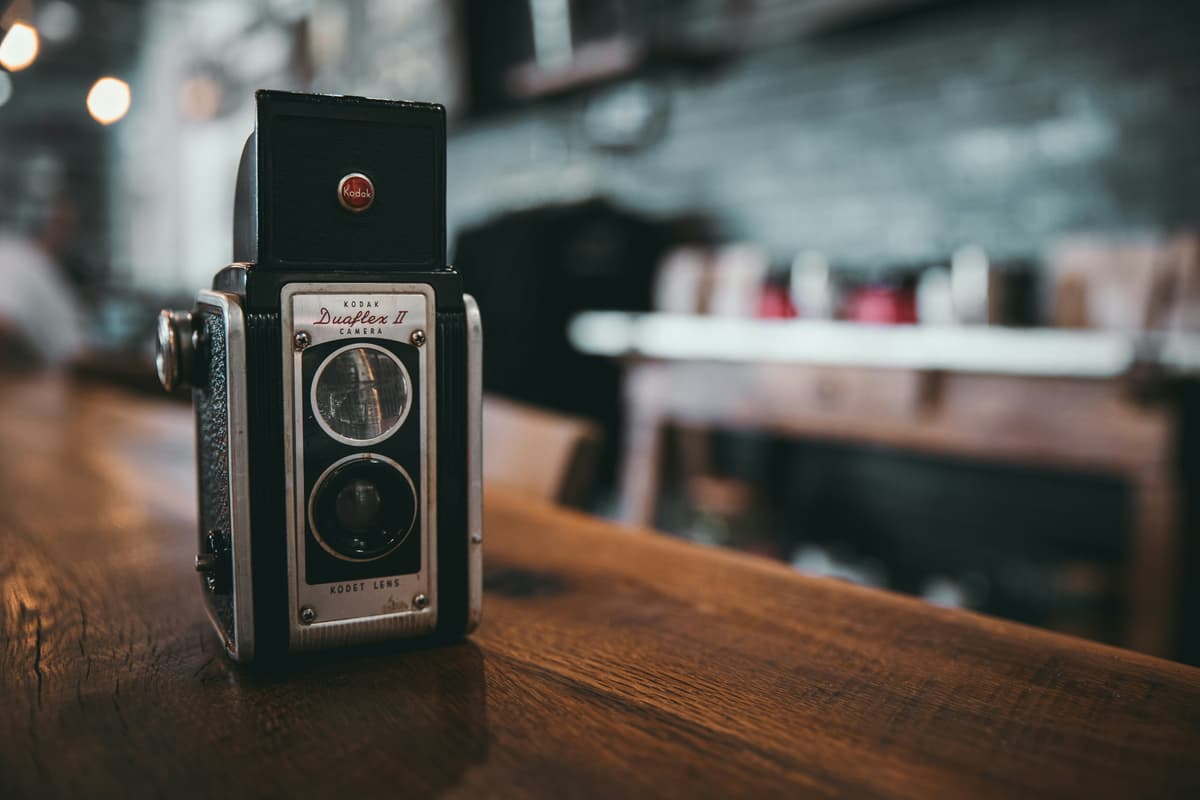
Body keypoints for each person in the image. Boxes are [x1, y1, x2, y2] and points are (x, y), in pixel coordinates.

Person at [0, 155, 85, 369]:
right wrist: (26, 373)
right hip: (42, 391)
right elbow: (5, 323)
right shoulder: (18, 259)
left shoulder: (44, 266)